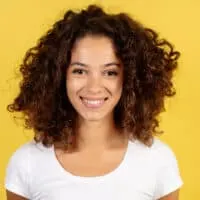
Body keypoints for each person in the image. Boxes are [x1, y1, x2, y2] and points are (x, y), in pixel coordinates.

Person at [4, 4, 183, 200]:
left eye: (110, 72)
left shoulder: (158, 161)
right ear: (58, 77)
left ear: (130, 78)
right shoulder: (26, 163)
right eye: (79, 71)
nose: (94, 87)